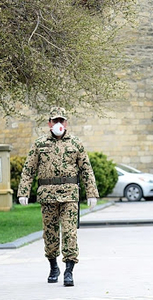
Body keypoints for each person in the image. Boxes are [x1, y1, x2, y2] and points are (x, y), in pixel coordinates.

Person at [17, 107, 99, 287]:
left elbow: (86, 169)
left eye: (62, 121)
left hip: (69, 195)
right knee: (50, 233)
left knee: (70, 232)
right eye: (55, 121)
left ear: (66, 123)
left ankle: (69, 270)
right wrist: (23, 191)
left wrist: (92, 193)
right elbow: (29, 169)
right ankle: (53, 267)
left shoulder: (76, 143)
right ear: (49, 123)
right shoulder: (39, 144)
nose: (59, 124)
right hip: (47, 195)